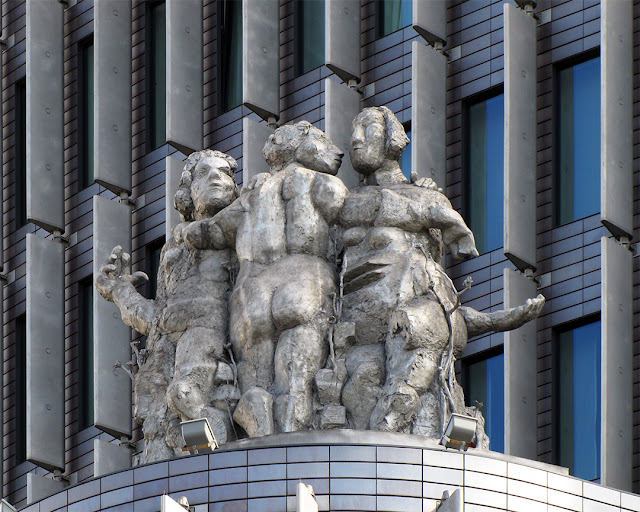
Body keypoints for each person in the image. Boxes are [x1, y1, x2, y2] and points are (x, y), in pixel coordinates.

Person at [336, 106, 544, 440]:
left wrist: (501, 319)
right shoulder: (348, 202)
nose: (355, 140)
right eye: (353, 131)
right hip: (356, 327)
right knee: (359, 386)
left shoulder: (425, 199)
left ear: (392, 140)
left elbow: (441, 299)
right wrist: (435, 211)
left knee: (406, 379)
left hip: (405, 324)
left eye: (368, 128)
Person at [185, 121, 349, 436]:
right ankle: (290, 444)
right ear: (299, 145)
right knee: (296, 378)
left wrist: (186, 231)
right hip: (304, 278)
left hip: (252, 290)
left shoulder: (253, 189)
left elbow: (212, 231)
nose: (337, 151)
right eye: (320, 140)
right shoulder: (322, 182)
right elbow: (352, 217)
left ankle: (260, 432)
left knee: (256, 382)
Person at [96, 150, 241, 463]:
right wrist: (119, 291)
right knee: (158, 426)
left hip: (209, 331)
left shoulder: (237, 229)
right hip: (167, 345)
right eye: (203, 173)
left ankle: (210, 456)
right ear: (187, 193)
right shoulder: (172, 249)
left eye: (224, 172)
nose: (216, 177)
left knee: (185, 394)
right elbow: (156, 318)